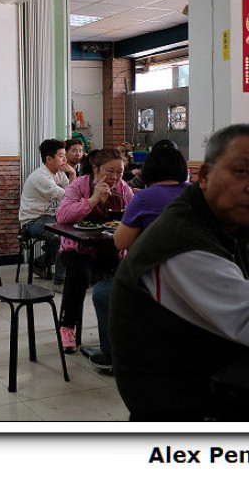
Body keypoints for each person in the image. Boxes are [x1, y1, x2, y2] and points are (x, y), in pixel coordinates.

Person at [110, 124, 249, 421]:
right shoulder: (181, 244)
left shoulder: (223, 221)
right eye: (241, 172)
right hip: (185, 409)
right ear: (204, 175)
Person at [83, 146, 189, 371]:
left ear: (149, 170)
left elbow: (120, 242)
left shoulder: (145, 197)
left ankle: (112, 354)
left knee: (102, 291)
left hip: (160, 282)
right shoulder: (199, 195)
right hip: (195, 280)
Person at [55, 147, 134, 353]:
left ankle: (120, 329)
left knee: (130, 274)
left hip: (110, 249)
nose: (115, 177)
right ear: (95, 168)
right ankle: (68, 326)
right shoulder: (79, 185)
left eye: (120, 172)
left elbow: (133, 214)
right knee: (80, 274)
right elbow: (62, 216)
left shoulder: (123, 188)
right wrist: (92, 200)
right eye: (110, 171)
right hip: (77, 248)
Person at [19, 139, 76, 279]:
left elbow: (72, 192)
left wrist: (72, 174)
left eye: (65, 155)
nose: (65, 159)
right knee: (63, 236)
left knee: (74, 231)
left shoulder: (59, 173)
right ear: (49, 159)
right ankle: (60, 280)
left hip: (51, 218)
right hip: (33, 221)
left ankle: (40, 263)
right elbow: (68, 196)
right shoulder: (41, 177)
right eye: (61, 156)